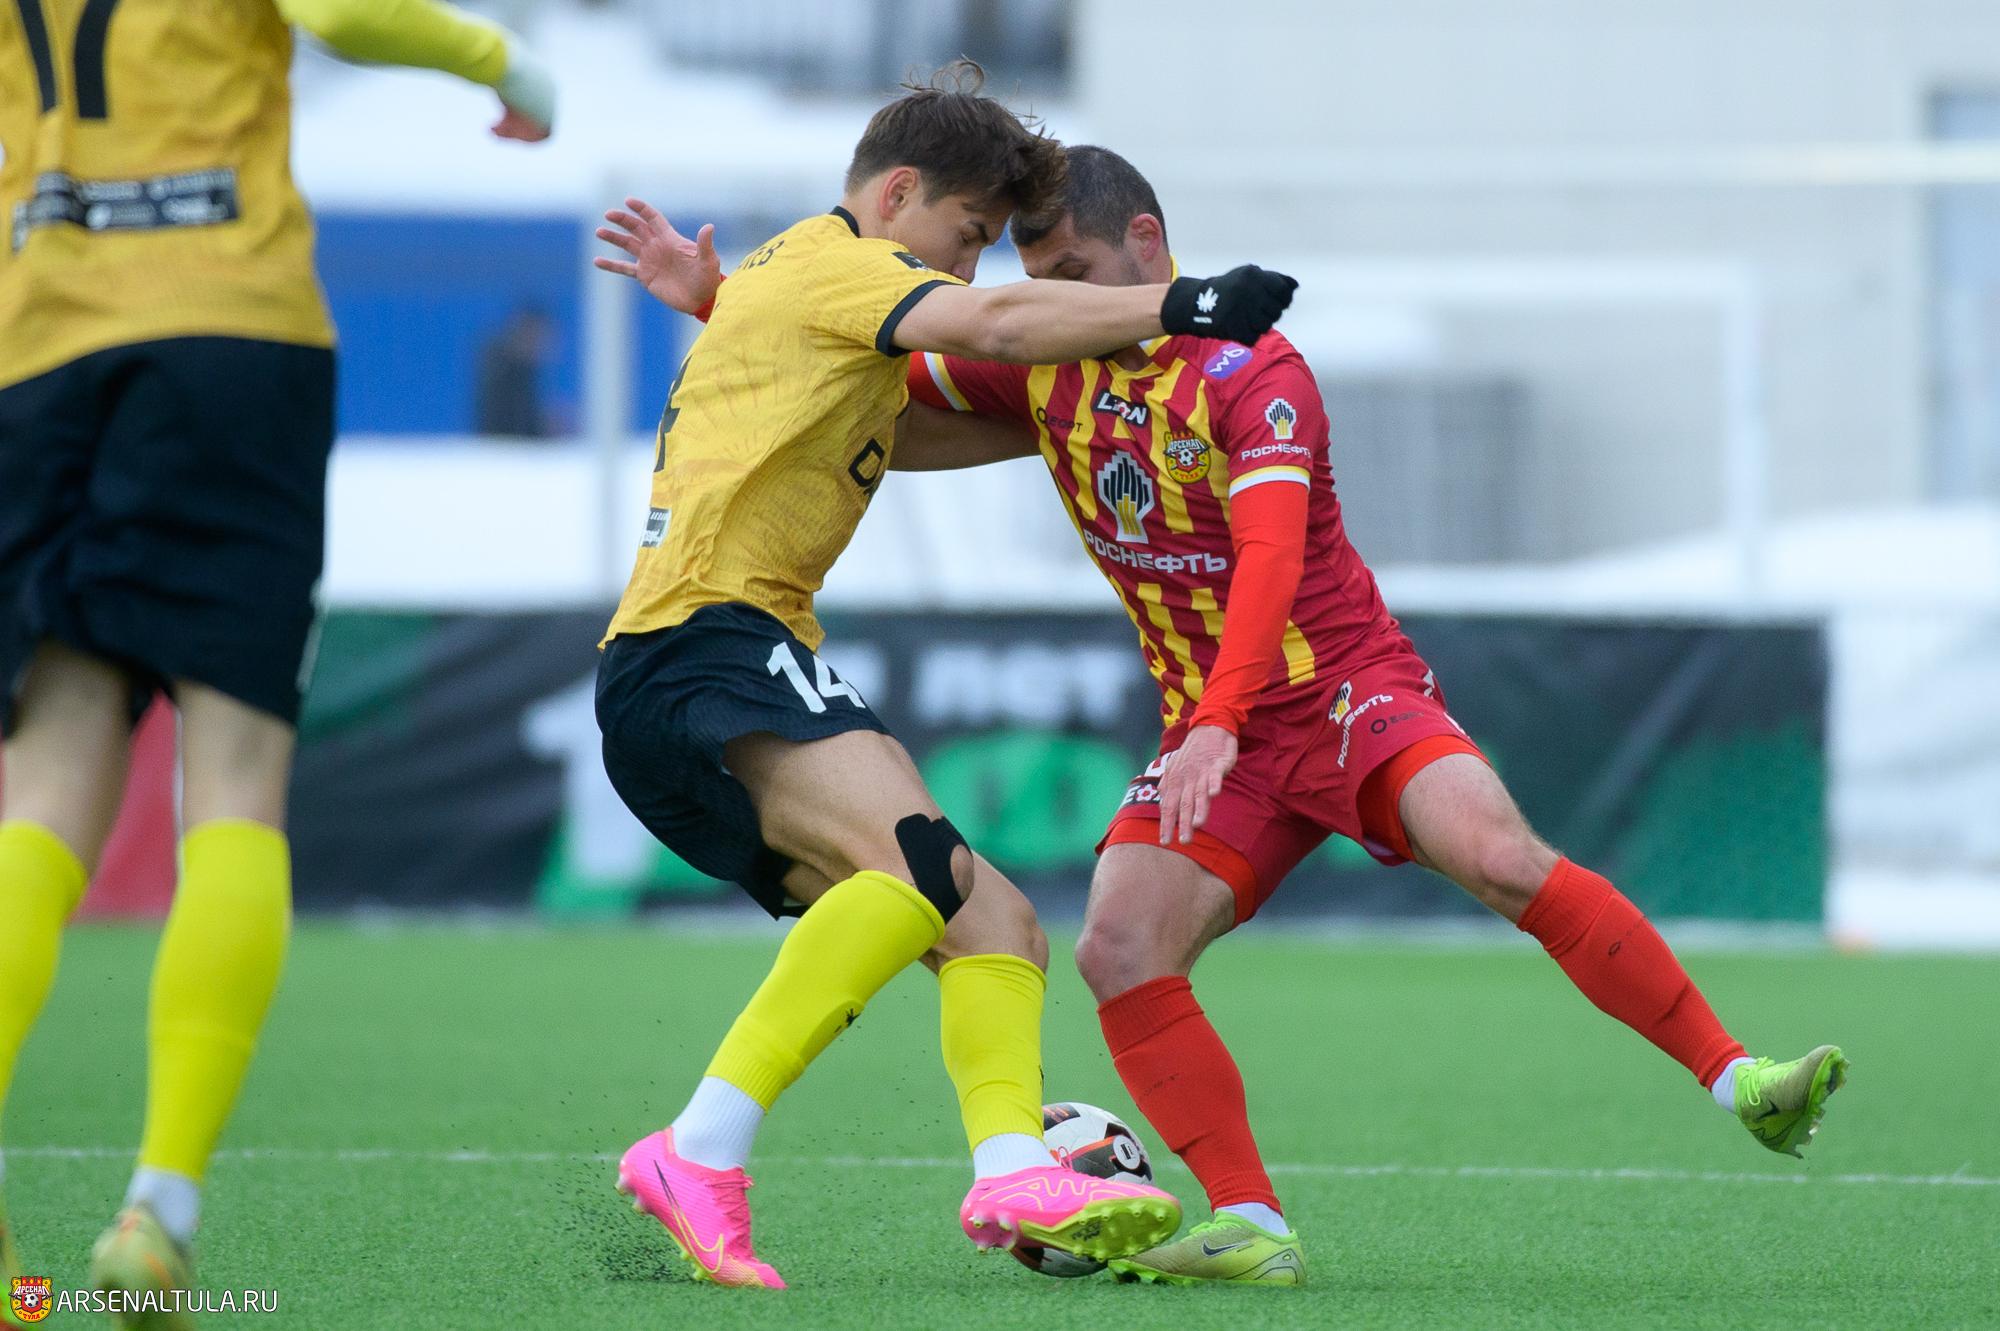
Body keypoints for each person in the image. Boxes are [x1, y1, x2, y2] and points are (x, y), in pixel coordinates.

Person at [620, 143, 1848, 1291]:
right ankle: (1250, 1221)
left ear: (1147, 244)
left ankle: (1738, 1077)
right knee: (1114, 947)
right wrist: (722, 304)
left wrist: (1215, 718)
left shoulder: (1253, 370)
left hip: (1342, 692)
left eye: (1074, 271)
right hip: (1214, 730)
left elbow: (1268, 560)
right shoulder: (1049, 361)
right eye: (1036, 277)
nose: (1055, 297)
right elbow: (857, 376)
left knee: (1495, 854)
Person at [587, 66, 1295, 1289]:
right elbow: (997, 329)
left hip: (687, 668)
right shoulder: (843, 263)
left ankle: (1012, 1164)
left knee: (994, 922)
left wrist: (1077, 407)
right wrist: (1182, 304)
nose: (967, 269)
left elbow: (925, 423)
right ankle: (696, 1147)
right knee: (915, 862)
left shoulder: (799, 286)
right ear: (897, 193)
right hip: (706, 642)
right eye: (967, 235)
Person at [0, 2, 554, 1325]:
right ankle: (159, 1209)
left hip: (38, 350)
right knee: (234, 778)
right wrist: (508, 63)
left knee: (42, 791)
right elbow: (345, 11)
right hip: (227, 338)